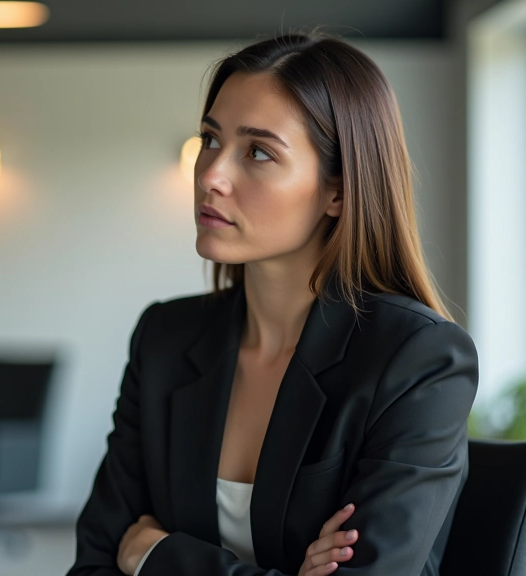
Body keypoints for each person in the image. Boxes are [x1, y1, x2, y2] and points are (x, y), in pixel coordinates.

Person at [67, 32, 478, 576]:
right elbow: (95, 563)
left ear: (339, 190)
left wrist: (157, 554)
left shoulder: (418, 359)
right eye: (210, 139)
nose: (211, 175)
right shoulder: (165, 337)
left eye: (258, 152)